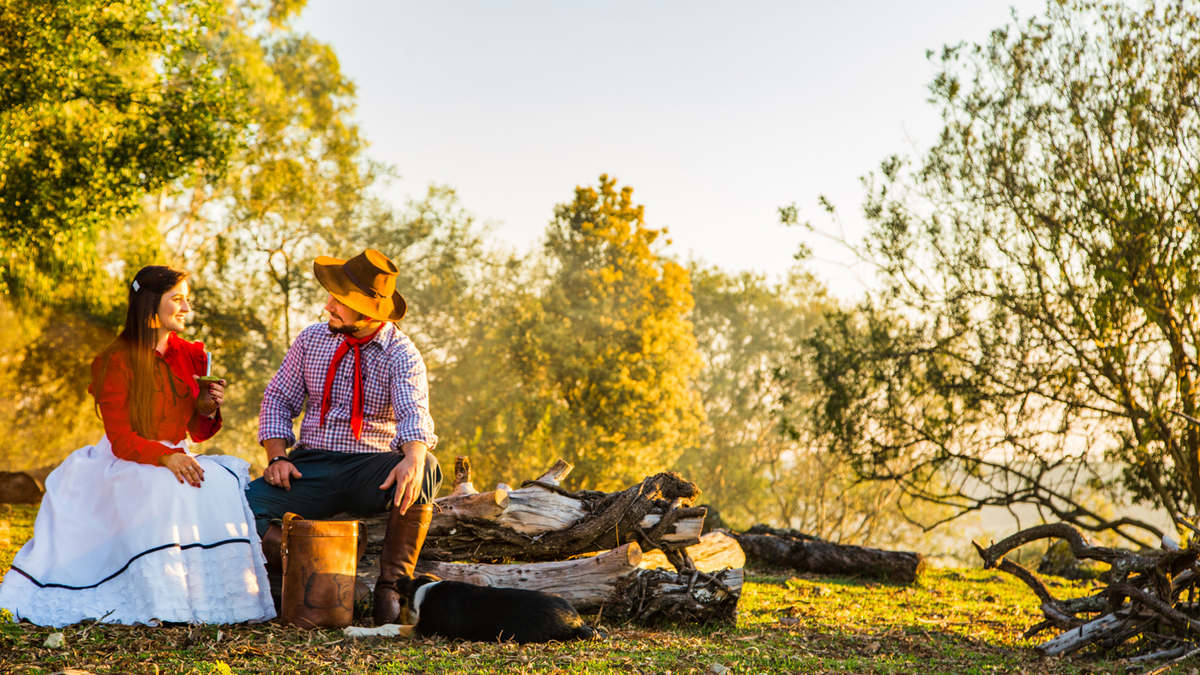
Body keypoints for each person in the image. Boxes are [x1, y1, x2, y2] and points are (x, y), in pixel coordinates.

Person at [0, 266, 276, 627]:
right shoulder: (115, 359)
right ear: (150, 304)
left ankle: (211, 601)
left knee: (220, 482)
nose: (187, 308)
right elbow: (120, 438)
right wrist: (165, 457)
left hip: (175, 452)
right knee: (162, 483)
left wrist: (207, 408)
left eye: (187, 299)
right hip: (126, 457)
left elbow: (197, 432)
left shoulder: (192, 355)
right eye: (177, 299)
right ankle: (163, 600)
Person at [247, 249, 442, 625]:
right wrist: (277, 456)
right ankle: (328, 578)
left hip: (371, 470)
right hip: (310, 467)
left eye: (339, 302)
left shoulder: (402, 353)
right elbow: (278, 398)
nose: (328, 306)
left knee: (427, 467)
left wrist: (414, 456)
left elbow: (413, 413)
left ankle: (390, 590)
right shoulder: (311, 339)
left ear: (368, 313)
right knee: (242, 504)